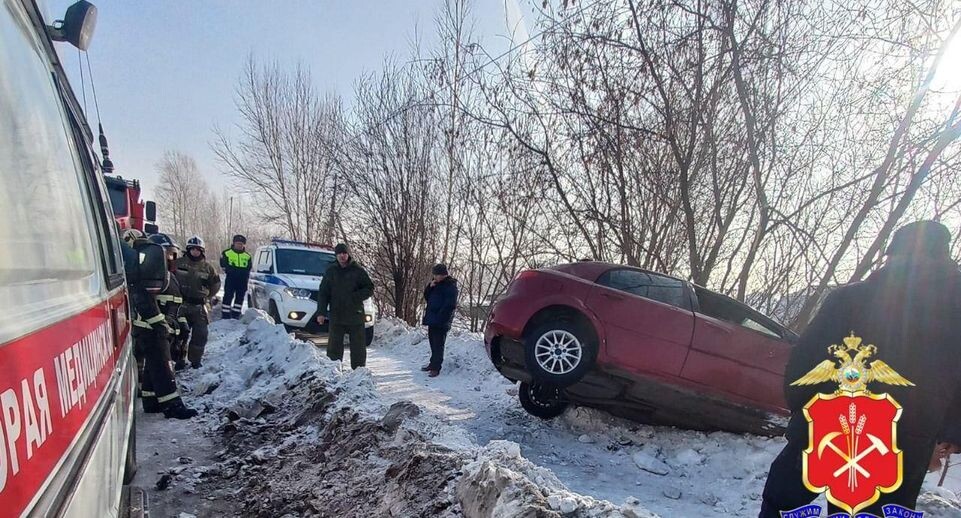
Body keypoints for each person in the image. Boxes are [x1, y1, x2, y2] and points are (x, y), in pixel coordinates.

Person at [758, 220, 961, 517]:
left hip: (826, 426)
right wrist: (949, 434)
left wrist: (804, 415)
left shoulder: (848, 299)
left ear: (894, 256)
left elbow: (803, 365)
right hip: (903, 442)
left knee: (784, 507)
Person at [122, 229, 198, 419]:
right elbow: (144, 302)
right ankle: (172, 406)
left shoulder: (169, 277)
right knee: (163, 367)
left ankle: (151, 400)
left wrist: (181, 325)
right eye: (169, 254)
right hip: (151, 328)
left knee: (153, 365)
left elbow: (176, 305)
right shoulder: (149, 275)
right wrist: (160, 324)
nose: (172, 258)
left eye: (174, 254)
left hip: (161, 328)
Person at [313, 243, 374, 369]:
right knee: (334, 347)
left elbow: (369, 288)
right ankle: (333, 370)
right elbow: (323, 293)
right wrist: (321, 313)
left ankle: (358, 371)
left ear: (348, 254)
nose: (342, 256)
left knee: (358, 347)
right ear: (336, 255)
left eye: (344, 253)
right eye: (340, 253)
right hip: (337, 314)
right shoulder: (331, 271)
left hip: (355, 314)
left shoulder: (357, 270)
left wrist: (356, 296)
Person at [175, 236, 221, 369]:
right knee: (180, 333)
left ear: (202, 251)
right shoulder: (177, 264)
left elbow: (216, 285)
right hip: (181, 305)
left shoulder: (208, 268)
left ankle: (195, 360)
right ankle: (179, 359)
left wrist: (207, 296)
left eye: (198, 250)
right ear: (188, 250)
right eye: (193, 249)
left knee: (201, 335)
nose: (195, 252)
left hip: (199, 306)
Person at [420, 263, 458, 378]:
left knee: (438, 344)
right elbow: (427, 297)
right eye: (434, 275)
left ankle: (436, 368)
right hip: (432, 319)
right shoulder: (435, 284)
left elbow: (450, 305)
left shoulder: (450, 286)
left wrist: (441, 316)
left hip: (442, 320)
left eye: (436, 275)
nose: (435, 277)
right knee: (432, 343)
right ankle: (432, 363)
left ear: (443, 275)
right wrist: (429, 287)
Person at [220, 234, 252, 320]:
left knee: (240, 298)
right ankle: (225, 315)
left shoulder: (247, 256)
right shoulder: (226, 253)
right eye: (237, 243)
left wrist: (243, 274)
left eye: (241, 244)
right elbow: (223, 265)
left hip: (242, 280)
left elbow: (249, 268)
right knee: (228, 296)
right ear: (234, 243)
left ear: (244, 245)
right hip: (231, 279)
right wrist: (233, 271)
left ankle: (236, 315)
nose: (239, 245)